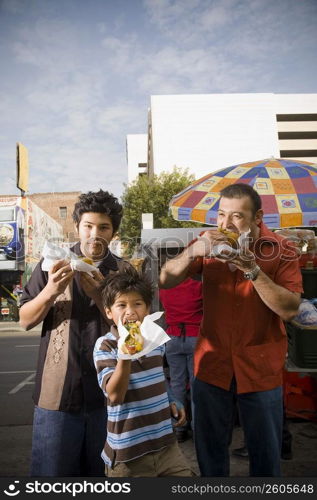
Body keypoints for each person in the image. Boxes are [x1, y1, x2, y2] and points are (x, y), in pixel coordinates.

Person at [159, 183, 303, 477]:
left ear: (257, 218)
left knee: (265, 454)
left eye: (236, 217)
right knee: (210, 451)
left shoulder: (282, 249)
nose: (225, 225)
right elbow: (165, 279)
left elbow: (289, 308)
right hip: (212, 364)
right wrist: (194, 251)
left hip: (261, 366)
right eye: (221, 215)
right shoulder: (207, 242)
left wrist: (253, 270)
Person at [19, 189, 123, 477]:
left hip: (109, 400)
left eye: (104, 227)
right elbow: (25, 320)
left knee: (105, 478)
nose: (95, 234)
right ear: (77, 226)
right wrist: (51, 289)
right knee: (52, 478)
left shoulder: (123, 273)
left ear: (113, 232)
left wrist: (102, 297)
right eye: (88, 226)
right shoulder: (52, 264)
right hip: (57, 398)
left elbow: (136, 335)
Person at [93, 265, 194, 477]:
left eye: (137, 304)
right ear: (109, 312)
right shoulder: (106, 346)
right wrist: (125, 355)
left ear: (147, 309)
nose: (130, 311)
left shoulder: (155, 340)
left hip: (166, 446)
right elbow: (114, 395)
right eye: (121, 305)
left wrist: (171, 400)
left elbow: (157, 380)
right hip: (128, 456)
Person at [159, 276, 202, 442]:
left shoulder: (165, 287)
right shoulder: (198, 286)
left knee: (177, 384)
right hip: (195, 338)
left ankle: (179, 429)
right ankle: (198, 429)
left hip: (172, 338)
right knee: (196, 384)